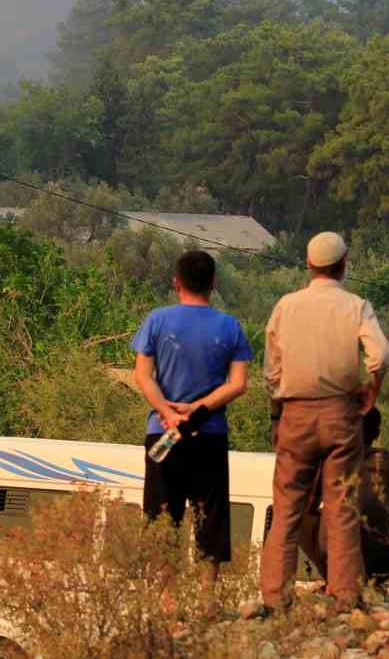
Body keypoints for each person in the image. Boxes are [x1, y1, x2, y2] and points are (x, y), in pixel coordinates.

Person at [258, 232, 389, 614]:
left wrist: (279, 406)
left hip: (295, 414)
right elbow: (380, 354)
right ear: (344, 264)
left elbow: (271, 370)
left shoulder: (287, 305)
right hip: (341, 415)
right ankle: (345, 594)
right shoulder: (356, 306)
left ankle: (275, 596)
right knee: (341, 505)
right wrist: (372, 390)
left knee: (286, 507)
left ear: (308, 265)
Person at [131, 250, 253, 588]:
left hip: (163, 434)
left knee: (162, 516)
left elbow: (142, 375)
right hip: (209, 434)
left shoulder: (156, 320)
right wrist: (197, 411)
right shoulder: (230, 326)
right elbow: (238, 384)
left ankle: (166, 600)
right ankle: (206, 600)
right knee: (210, 516)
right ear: (214, 283)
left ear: (176, 282)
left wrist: (170, 413)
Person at [296, 407, 389, 586]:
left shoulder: (332, 460)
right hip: (385, 556)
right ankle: (369, 583)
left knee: (300, 515)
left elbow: (309, 503)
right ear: (377, 433)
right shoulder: (388, 462)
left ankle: (332, 579)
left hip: (341, 551)